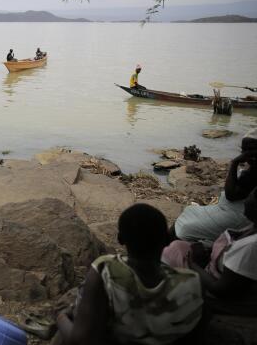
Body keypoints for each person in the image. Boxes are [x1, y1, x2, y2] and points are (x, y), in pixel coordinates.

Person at [56, 203, 203, 345]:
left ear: (120, 239)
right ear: (166, 240)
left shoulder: (105, 269)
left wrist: (60, 316)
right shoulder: (192, 282)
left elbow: (80, 340)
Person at [163, 188, 257, 316]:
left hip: (223, 298)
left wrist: (192, 265)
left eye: (253, 195)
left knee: (171, 255)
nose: (248, 197)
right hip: (219, 270)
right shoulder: (252, 227)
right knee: (179, 246)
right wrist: (209, 249)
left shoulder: (250, 247)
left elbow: (220, 289)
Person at [172, 130, 257, 245]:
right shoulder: (252, 168)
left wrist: (234, 163)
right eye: (243, 150)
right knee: (189, 212)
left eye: (249, 150)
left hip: (237, 217)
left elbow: (231, 195)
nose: (244, 154)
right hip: (230, 211)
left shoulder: (254, 171)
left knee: (184, 227)